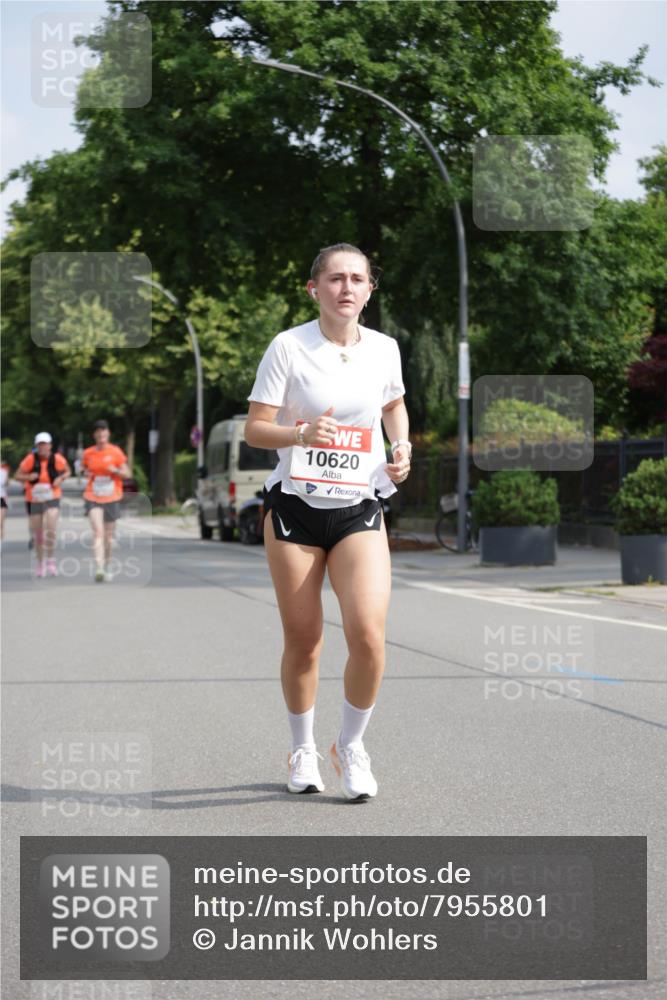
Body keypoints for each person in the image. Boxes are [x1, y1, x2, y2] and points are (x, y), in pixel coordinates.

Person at [244, 243, 411, 802]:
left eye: (357, 279)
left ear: (369, 291)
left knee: (368, 635)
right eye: (335, 278)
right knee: (306, 638)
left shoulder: (385, 349)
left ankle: (352, 745)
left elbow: (392, 405)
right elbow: (255, 429)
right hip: (295, 508)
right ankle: (303, 747)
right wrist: (299, 434)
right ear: (313, 288)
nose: (346, 288)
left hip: (359, 506)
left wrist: (402, 445)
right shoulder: (288, 347)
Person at [82, 420, 131, 583]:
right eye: (98, 432)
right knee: (98, 532)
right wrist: (85, 473)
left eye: (103, 432)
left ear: (108, 434)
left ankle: (107, 564)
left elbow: (127, 474)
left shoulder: (115, 452)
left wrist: (115, 470)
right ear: (94, 435)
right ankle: (99, 568)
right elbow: (83, 469)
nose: (101, 434)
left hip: (111, 497)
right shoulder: (88, 453)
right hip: (93, 496)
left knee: (108, 537)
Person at [14, 433, 71, 577]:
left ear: (50, 445)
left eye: (45, 444)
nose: (43, 447)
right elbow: (17, 475)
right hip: (34, 499)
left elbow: (68, 471)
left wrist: (61, 478)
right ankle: (41, 563)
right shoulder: (30, 460)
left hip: (52, 496)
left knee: (51, 529)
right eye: (40, 444)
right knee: (39, 534)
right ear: (36, 446)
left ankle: (50, 559)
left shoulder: (57, 459)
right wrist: (28, 477)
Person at [0, 459, 10, 540]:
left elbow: (7, 484)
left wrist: (7, 475)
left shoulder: (4, 472)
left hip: (1, 498)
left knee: (0, 523)